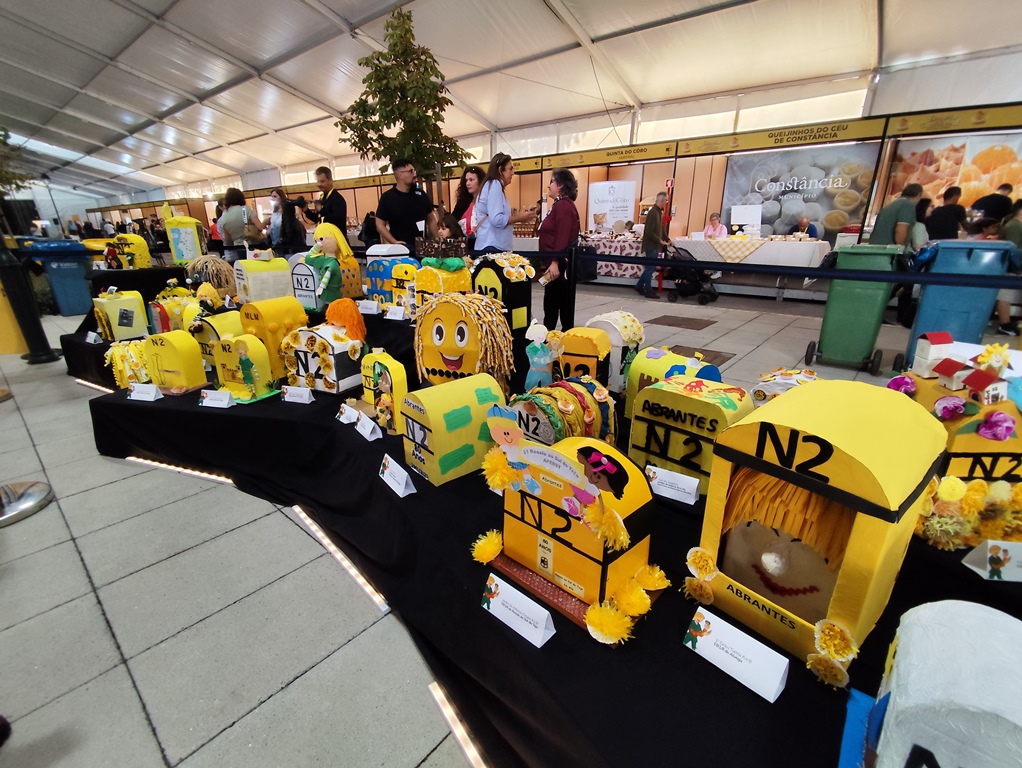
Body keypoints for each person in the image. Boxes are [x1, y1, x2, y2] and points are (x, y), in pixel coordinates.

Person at [537, 167, 581, 330]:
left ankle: (551, 338)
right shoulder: (560, 204)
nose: (548, 186)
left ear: (561, 185)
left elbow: (562, 235)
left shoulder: (563, 206)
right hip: (556, 263)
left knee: (554, 305)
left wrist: (555, 261)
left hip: (559, 265)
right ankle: (555, 337)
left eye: (552, 182)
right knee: (558, 304)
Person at [474, 153, 536, 253]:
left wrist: (519, 217)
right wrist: (519, 217)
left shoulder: (492, 185)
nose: (513, 173)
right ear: (500, 170)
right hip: (492, 246)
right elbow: (496, 219)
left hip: (491, 245)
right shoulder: (495, 185)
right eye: (510, 169)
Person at [375, 158, 438, 256]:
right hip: (401, 251)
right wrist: (393, 241)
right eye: (411, 171)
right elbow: (379, 223)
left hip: (423, 250)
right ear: (400, 174)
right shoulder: (388, 198)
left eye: (414, 171)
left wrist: (437, 240)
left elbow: (431, 219)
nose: (414, 174)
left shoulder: (421, 195)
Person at [217, 187, 266, 263]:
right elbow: (260, 227)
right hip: (253, 245)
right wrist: (266, 221)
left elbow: (228, 237)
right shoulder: (245, 209)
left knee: (245, 267)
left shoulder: (224, 215)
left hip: (238, 247)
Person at [994, 201, 1022, 335]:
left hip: (1010, 265)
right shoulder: (1015, 226)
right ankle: (1005, 324)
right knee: (1005, 294)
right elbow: (1013, 248)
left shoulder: (1013, 224)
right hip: (1010, 266)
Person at [635, 192, 670, 299]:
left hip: (654, 244)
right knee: (650, 267)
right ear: (662, 200)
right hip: (651, 245)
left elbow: (661, 229)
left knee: (650, 267)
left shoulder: (658, 212)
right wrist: (660, 240)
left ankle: (639, 286)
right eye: (666, 200)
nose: (667, 202)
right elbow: (649, 231)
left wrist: (667, 239)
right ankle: (648, 289)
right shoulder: (653, 213)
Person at [309, 166, 348, 234]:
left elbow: (337, 221)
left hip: (336, 238)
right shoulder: (323, 198)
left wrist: (321, 210)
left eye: (322, 181)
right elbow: (316, 218)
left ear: (331, 181)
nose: (319, 184)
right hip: (325, 237)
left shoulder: (337, 199)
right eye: (318, 181)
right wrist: (306, 210)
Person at [452, 164, 486, 242]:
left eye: (471, 180)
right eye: (466, 180)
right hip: (466, 243)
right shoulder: (462, 202)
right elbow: (453, 220)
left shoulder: (486, 200)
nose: (467, 183)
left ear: (480, 181)